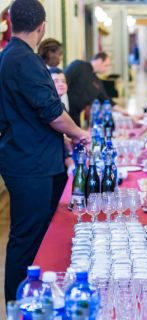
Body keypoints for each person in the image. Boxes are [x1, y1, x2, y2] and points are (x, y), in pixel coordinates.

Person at [0, 0, 90, 302]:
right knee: (27, 238)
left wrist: (63, 140)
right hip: (29, 163)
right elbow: (51, 111)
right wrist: (79, 133)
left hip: (30, 156)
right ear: (42, 26)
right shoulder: (22, 59)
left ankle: (33, 298)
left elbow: (32, 114)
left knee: (37, 236)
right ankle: (17, 308)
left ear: (10, 22)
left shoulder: (13, 55)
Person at [65, 52, 129, 126]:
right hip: (65, 112)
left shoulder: (97, 81)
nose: (106, 69)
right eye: (106, 65)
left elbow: (106, 100)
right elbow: (64, 80)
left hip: (76, 116)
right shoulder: (79, 65)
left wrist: (125, 112)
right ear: (99, 61)